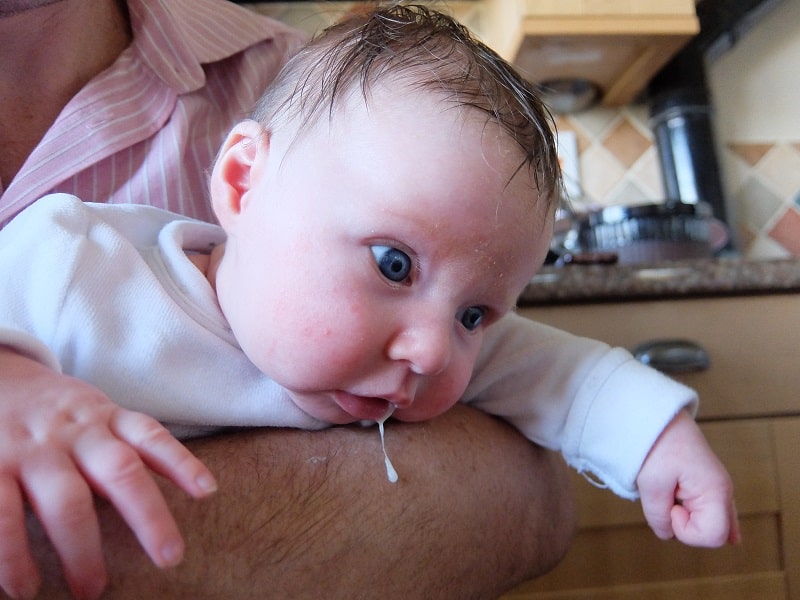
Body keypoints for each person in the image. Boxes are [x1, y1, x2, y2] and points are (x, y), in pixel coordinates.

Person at [0, 4, 739, 599]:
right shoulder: (76, 264)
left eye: (475, 315)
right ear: (241, 185)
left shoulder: (421, 348)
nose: (432, 350)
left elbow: (561, 377)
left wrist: (656, 440)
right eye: (393, 264)